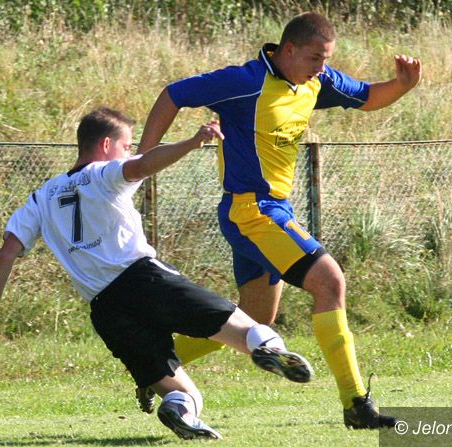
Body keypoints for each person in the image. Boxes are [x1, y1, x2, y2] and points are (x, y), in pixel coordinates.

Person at [0, 107, 314, 440]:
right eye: (126, 146)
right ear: (107, 145)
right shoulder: (102, 174)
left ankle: (180, 410)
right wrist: (192, 142)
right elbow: (141, 166)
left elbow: (6, 254)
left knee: (184, 394)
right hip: (145, 280)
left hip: (106, 310)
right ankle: (270, 350)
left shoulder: (41, 197)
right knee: (250, 331)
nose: (129, 153)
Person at [137, 12, 422, 429]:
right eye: (314, 58)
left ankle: (153, 362)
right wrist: (143, 159)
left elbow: (366, 96)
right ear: (288, 50)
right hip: (251, 211)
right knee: (330, 281)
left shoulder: (315, 81)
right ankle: (357, 405)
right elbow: (173, 94)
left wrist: (402, 85)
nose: (321, 68)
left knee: (255, 320)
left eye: (326, 59)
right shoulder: (245, 82)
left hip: (273, 210)